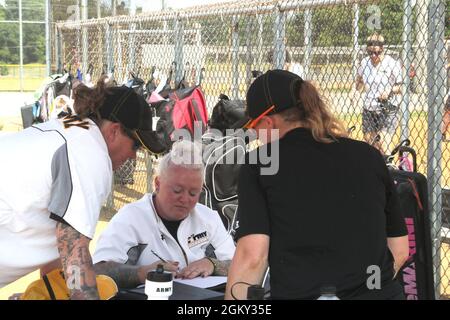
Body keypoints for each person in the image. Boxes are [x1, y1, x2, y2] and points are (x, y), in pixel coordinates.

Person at [225, 69, 409, 300]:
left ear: (268, 122)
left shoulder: (259, 164)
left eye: (254, 128)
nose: (256, 137)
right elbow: (400, 251)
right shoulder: (369, 155)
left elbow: (253, 257)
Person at [0, 79, 165, 299]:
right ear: (114, 131)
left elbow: (62, 256)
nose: (134, 155)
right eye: (136, 145)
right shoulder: (90, 153)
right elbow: (73, 247)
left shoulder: (70, 128)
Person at [93, 140, 235, 289]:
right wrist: (143, 273)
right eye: (177, 191)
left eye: (193, 193)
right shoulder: (131, 219)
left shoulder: (208, 218)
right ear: (158, 184)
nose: (185, 199)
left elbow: (238, 263)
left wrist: (212, 264)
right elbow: (99, 270)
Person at [354, 33, 402, 154]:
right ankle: (381, 163)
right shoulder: (365, 63)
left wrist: (389, 91)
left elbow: (402, 86)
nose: (374, 56)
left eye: (377, 53)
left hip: (387, 107)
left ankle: (390, 166)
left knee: (383, 141)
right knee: (370, 140)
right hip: (369, 107)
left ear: (382, 49)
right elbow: (358, 81)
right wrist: (354, 91)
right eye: (370, 53)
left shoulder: (392, 63)